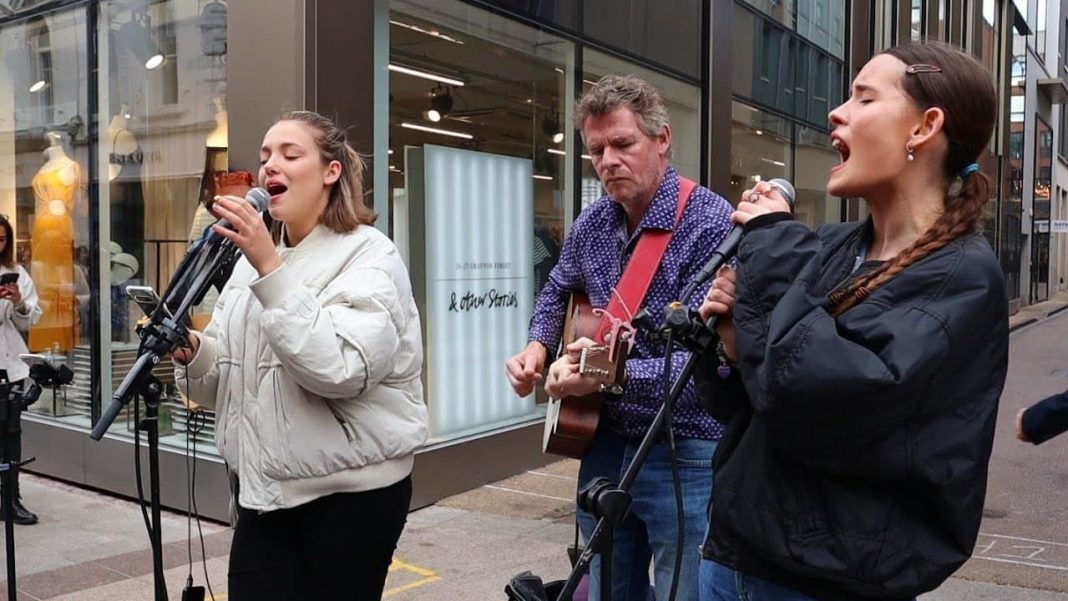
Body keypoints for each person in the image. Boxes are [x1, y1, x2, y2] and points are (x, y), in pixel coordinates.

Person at [695, 42, 1009, 601]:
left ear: (924, 126)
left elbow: (823, 398)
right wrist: (730, 345)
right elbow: (758, 399)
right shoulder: (836, 246)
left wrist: (772, 243)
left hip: (824, 580)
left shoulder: (962, 277)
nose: (837, 112)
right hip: (737, 553)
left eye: (864, 97)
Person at [172, 110, 427, 600]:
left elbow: (340, 369)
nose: (272, 166)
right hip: (265, 493)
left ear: (331, 171)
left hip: (352, 496)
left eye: (291, 154)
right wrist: (194, 352)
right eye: (266, 156)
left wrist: (268, 265)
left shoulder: (370, 255)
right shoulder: (252, 266)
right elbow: (222, 379)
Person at [505, 75, 735, 601]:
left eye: (623, 144)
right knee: (608, 589)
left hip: (686, 449)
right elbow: (557, 289)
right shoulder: (591, 223)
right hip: (604, 442)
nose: (608, 160)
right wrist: (537, 348)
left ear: (662, 139)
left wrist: (599, 380)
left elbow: (711, 361)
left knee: (687, 590)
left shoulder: (710, 223)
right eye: (596, 149)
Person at [0, 214, 43, 525]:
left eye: (2, 239)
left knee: (11, 433)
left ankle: (10, 498)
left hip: (10, 365)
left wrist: (17, 302)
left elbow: (30, 319)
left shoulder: (15, 273)